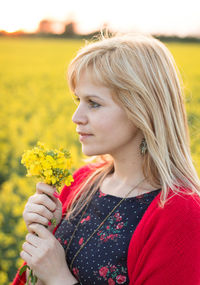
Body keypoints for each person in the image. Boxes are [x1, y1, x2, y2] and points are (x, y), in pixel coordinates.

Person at [13, 33, 200, 285]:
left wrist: (59, 278)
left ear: (140, 110)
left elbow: (55, 273)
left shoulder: (181, 214)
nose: (76, 117)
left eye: (94, 103)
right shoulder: (82, 181)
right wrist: (45, 231)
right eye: (78, 100)